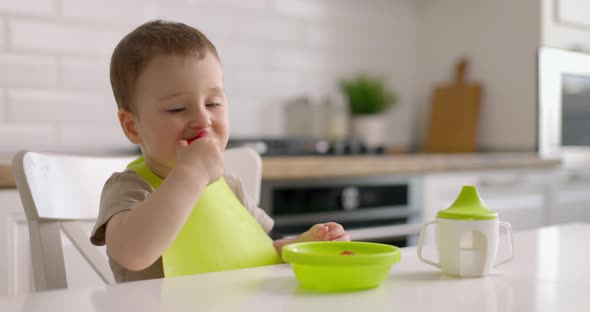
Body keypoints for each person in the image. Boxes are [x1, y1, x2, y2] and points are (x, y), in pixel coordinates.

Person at [90, 19, 350, 283]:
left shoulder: (230, 185)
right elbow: (134, 253)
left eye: (213, 103)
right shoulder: (129, 188)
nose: (203, 120)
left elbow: (256, 255)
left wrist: (302, 245)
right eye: (177, 108)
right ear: (133, 126)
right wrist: (191, 174)